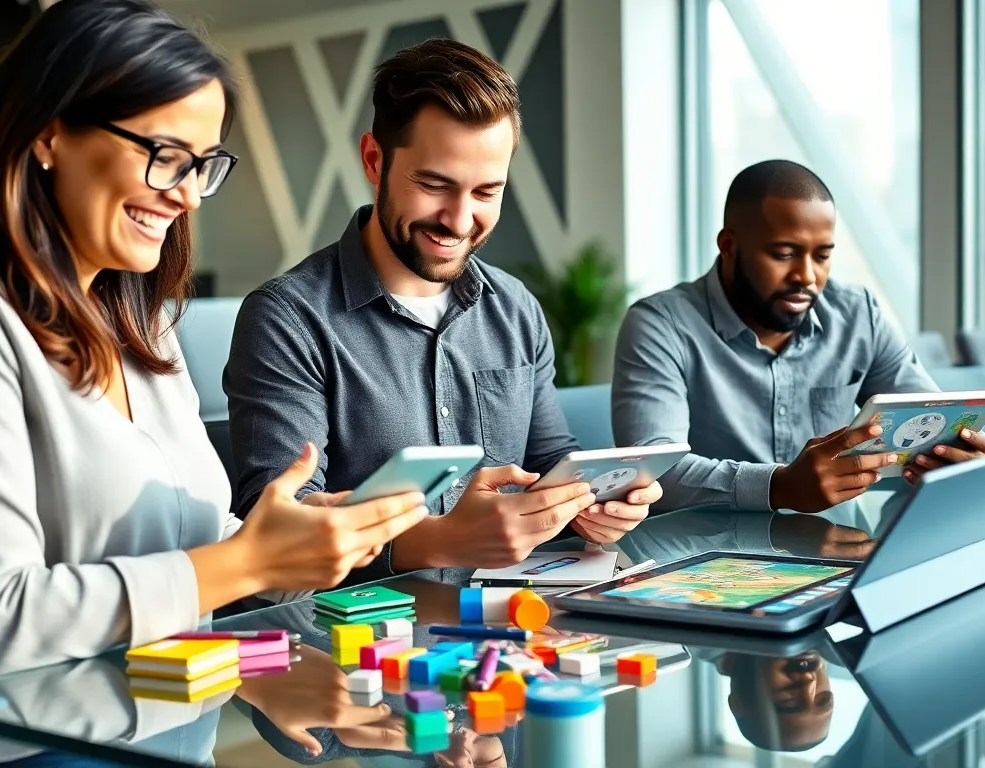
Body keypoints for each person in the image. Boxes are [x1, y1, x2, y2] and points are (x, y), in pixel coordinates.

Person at [0, 2, 428, 765]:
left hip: (164, 734)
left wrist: (290, 582)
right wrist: (253, 560)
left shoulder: (137, 315)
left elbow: (185, 552)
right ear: (48, 131)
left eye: (202, 164)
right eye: (163, 153)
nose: (185, 193)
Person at [225, 39, 661, 580]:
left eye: (486, 191)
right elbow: (276, 526)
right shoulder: (287, 319)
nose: (458, 220)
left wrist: (596, 506)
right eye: (434, 185)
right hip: (359, 644)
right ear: (373, 160)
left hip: (509, 631)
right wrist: (440, 540)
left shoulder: (517, 308)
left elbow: (553, 462)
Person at [613, 159, 985, 514]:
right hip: (704, 562)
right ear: (729, 246)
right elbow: (651, 471)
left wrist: (956, 455)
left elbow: (935, 418)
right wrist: (777, 486)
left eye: (822, 256)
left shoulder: (859, 314)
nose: (807, 276)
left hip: (841, 551)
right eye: (783, 254)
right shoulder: (660, 324)